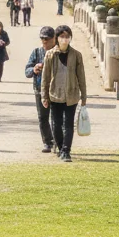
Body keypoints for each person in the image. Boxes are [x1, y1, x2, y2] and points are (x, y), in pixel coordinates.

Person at [40, 25, 87, 162]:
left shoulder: (76, 55)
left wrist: (84, 96)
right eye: (62, 36)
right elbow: (45, 77)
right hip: (55, 94)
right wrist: (44, 96)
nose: (65, 39)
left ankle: (66, 150)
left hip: (71, 94)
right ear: (56, 38)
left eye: (67, 36)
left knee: (68, 124)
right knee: (56, 124)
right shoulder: (50, 54)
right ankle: (60, 147)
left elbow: (81, 77)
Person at [25, 25, 56, 152]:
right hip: (39, 90)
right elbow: (27, 71)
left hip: (55, 90)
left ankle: (58, 141)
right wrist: (34, 69)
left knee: (56, 117)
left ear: (54, 39)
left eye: (47, 39)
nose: (44, 41)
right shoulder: (37, 52)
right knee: (42, 117)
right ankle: (47, 142)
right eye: (42, 38)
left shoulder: (59, 52)